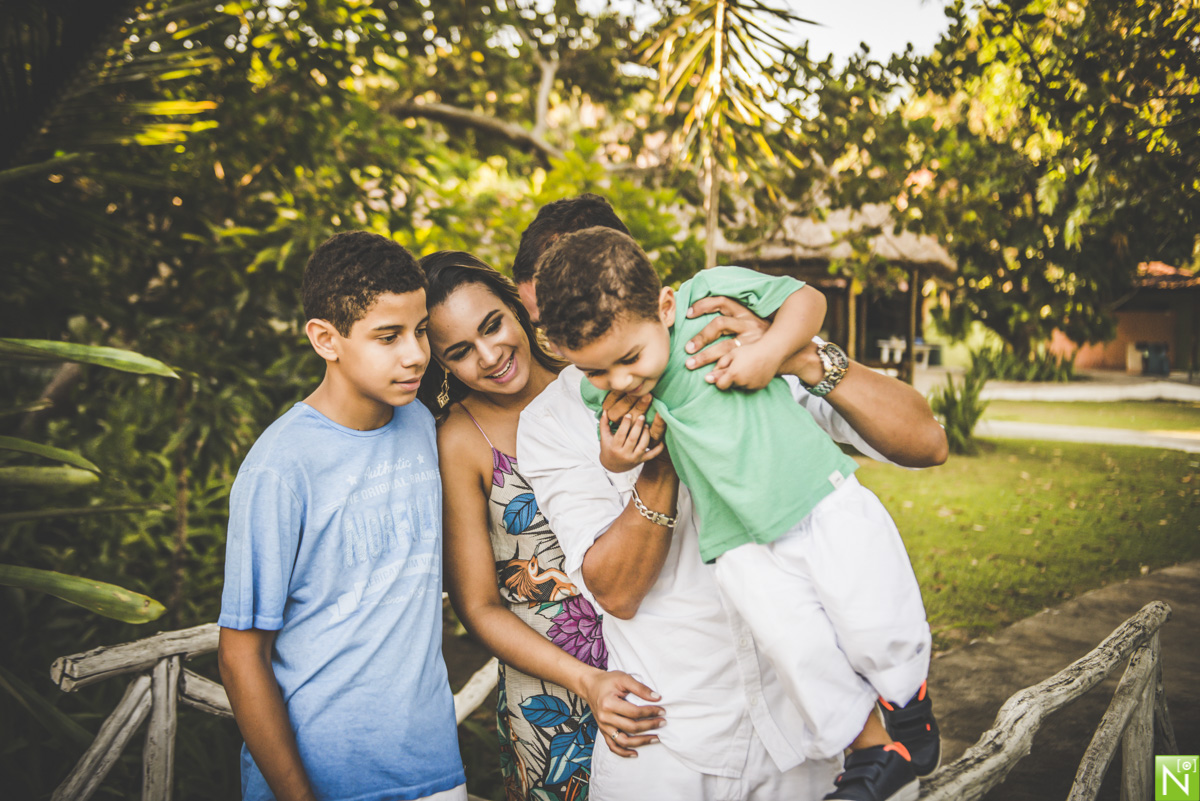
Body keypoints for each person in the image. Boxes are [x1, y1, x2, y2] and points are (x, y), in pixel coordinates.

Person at [513, 194, 948, 801]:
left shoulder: (720, 325)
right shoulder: (556, 419)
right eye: (553, 323)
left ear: (638, 284)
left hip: (801, 741)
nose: (571, 328)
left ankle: (886, 734)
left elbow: (927, 443)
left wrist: (791, 354)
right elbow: (615, 591)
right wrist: (659, 453)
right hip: (667, 743)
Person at [217, 232, 466, 801]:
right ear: (326, 339)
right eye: (388, 336)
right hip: (320, 777)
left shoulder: (424, 427)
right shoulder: (281, 467)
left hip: (433, 767)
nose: (415, 354)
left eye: (421, 330)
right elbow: (240, 653)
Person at [417, 251, 667, 801]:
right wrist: (586, 681)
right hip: (553, 694)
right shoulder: (461, 439)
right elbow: (478, 605)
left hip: (653, 661)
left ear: (519, 308)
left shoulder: (598, 378)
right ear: (442, 365)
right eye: (459, 351)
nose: (489, 355)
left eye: (493, 325)